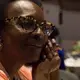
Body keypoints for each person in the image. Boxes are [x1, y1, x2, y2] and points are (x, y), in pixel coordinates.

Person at [0, 0, 60, 80]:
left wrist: (51, 70)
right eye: (26, 23)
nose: (40, 33)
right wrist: (41, 74)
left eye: (43, 27)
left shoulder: (21, 72)